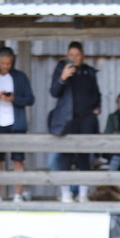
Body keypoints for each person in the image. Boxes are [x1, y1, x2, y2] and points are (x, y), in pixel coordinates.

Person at [48, 41, 101, 202]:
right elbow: (54, 92)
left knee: (84, 156)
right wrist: (63, 77)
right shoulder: (61, 68)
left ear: (82, 56)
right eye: (71, 55)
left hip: (85, 119)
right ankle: (66, 193)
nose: (74, 58)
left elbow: (96, 94)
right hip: (67, 120)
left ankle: (83, 192)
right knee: (64, 155)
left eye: (77, 55)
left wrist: (96, 107)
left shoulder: (88, 72)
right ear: (67, 56)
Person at [0, 46, 35, 203]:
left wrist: (14, 99)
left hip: (17, 124)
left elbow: (30, 99)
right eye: (3, 63)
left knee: (18, 160)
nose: (6, 66)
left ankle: (18, 195)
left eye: (9, 63)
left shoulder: (20, 77)